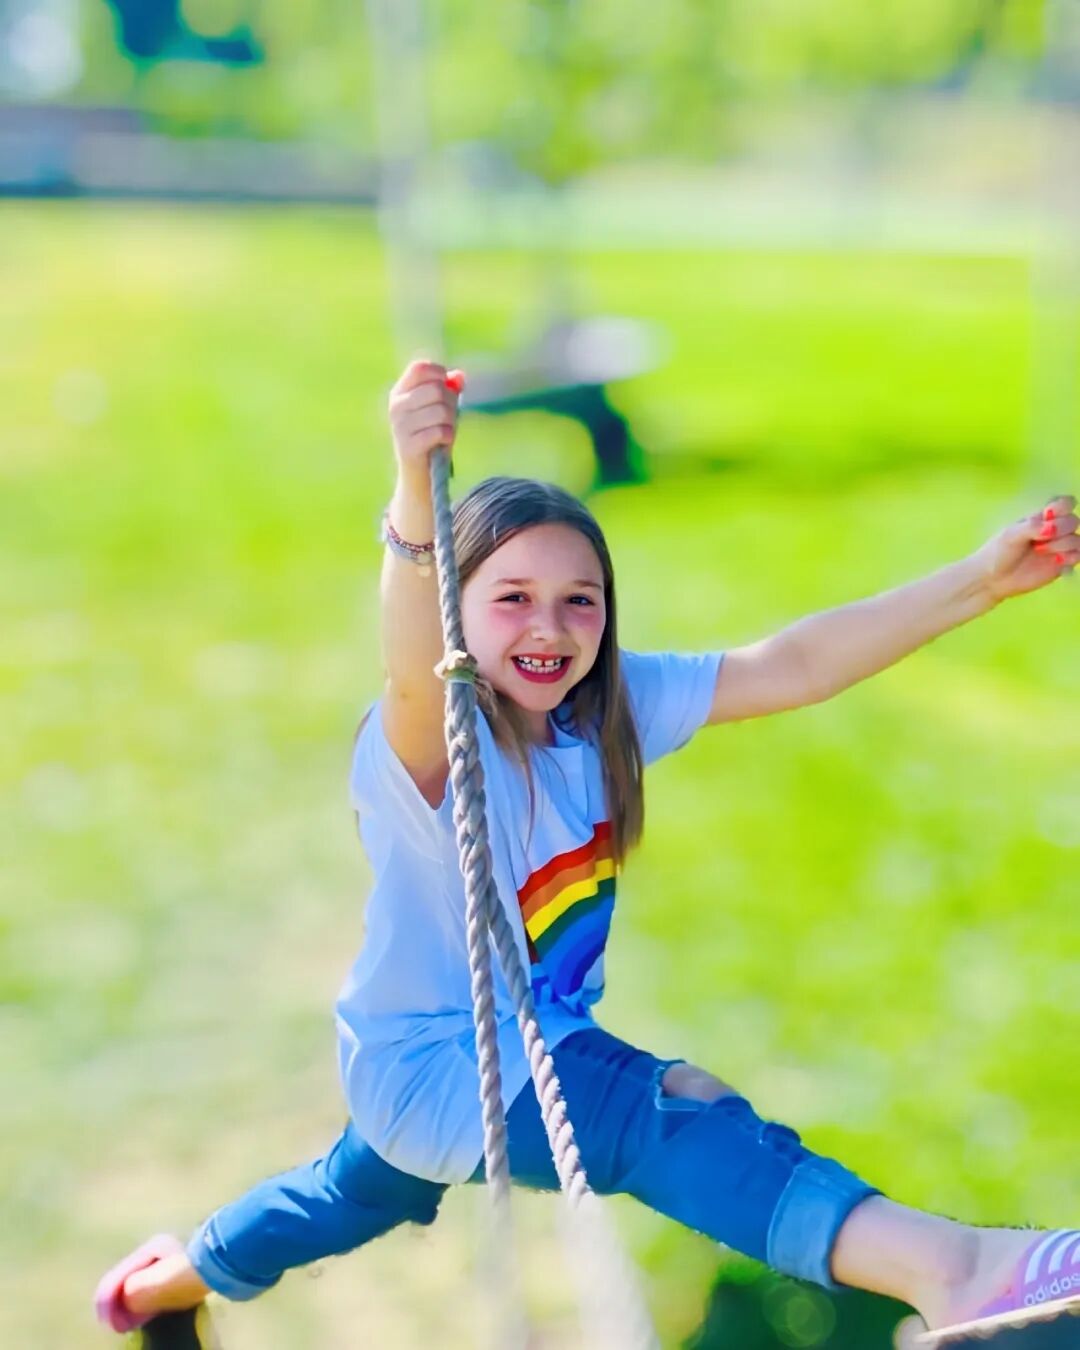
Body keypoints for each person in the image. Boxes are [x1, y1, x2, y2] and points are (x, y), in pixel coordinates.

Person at [95, 360, 1080, 1343]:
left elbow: (797, 664)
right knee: (665, 1119)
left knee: (357, 1190)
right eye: (510, 598)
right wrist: (410, 479)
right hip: (442, 1055)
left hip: (451, 1056)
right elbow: (406, 652)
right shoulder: (438, 745)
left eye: (580, 600)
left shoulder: (601, 712)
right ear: (456, 614)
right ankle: (955, 1270)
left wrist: (980, 583)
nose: (550, 627)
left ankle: (166, 1283)